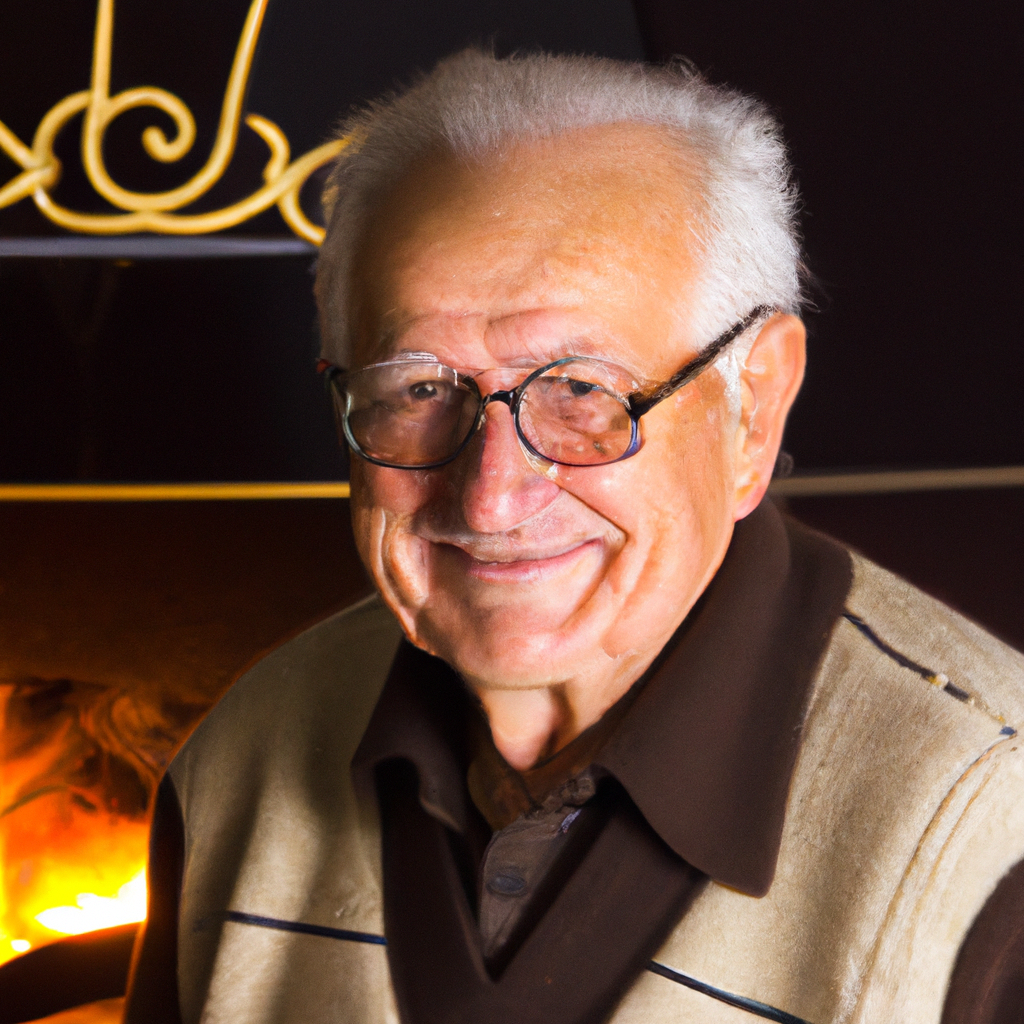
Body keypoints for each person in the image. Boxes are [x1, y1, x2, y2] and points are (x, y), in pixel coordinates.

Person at [125, 50, 1024, 1024]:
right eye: (419, 389)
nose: (492, 496)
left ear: (752, 408)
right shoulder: (241, 762)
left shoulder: (986, 833)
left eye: (582, 391)